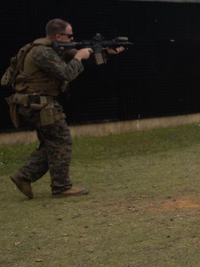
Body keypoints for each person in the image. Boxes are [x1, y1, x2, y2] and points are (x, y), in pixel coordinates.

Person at [7, 18, 123, 198]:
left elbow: (87, 59)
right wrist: (78, 57)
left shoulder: (54, 49)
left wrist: (106, 51)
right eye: (69, 35)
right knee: (62, 141)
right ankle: (61, 187)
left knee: (52, 143)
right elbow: (66, 73)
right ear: (58, 36)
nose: (72, 38)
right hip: (38, 105)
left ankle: (24, 176)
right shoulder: (42, 52)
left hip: (38, 104)